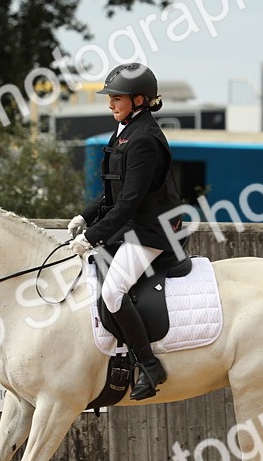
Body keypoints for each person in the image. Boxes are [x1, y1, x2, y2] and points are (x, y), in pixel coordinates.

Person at [68, 62, 183, 400]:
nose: (110, 104)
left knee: (113, 292)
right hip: (130, 225)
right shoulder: (125, 131)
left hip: (150, 230)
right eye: (111, 97)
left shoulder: (144, 139)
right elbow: (112, 193)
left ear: (139, 99)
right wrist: (83, 216)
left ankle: (149, 365)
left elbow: (130, 201)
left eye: (116, 98)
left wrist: (92, 236)